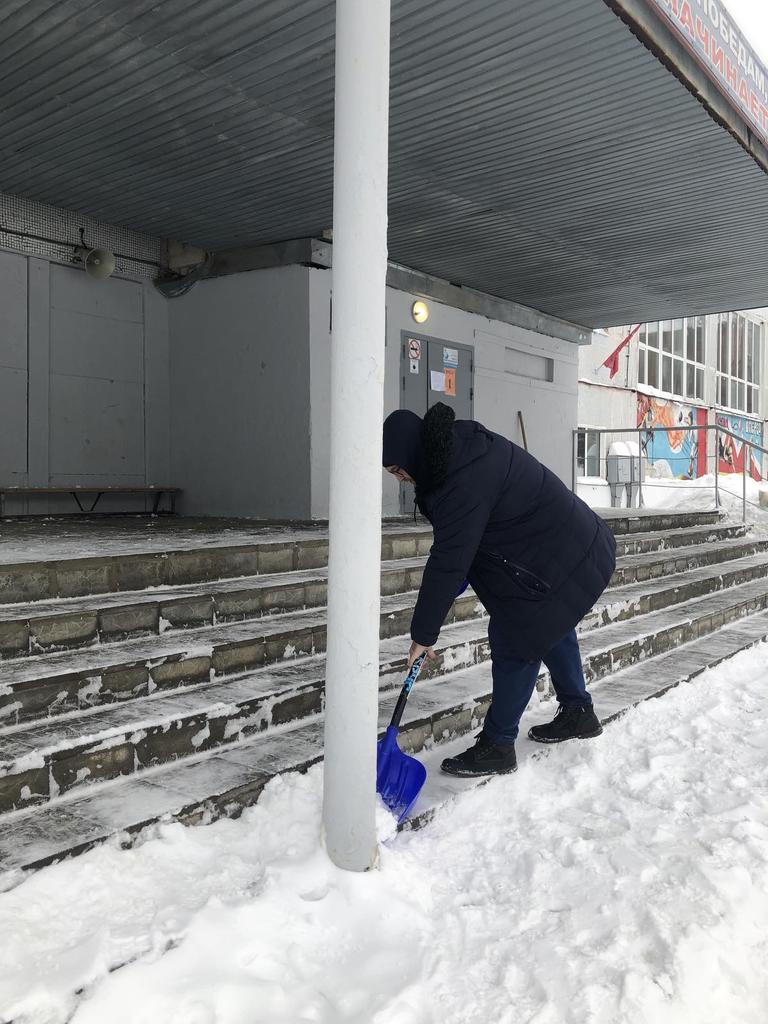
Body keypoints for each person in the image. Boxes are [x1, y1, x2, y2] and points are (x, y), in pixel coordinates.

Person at [382, 402, 616, 778]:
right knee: (552, 622)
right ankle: (578, 711)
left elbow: (449, 560)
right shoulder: (457, 451)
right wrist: (447, 593)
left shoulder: (459, 479)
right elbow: (464, 549)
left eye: (398, 470)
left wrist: (423, 634)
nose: (401, 479)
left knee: (515, 637)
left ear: (412, 454)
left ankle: (498, 745)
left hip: (560, 552)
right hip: (568, 544)